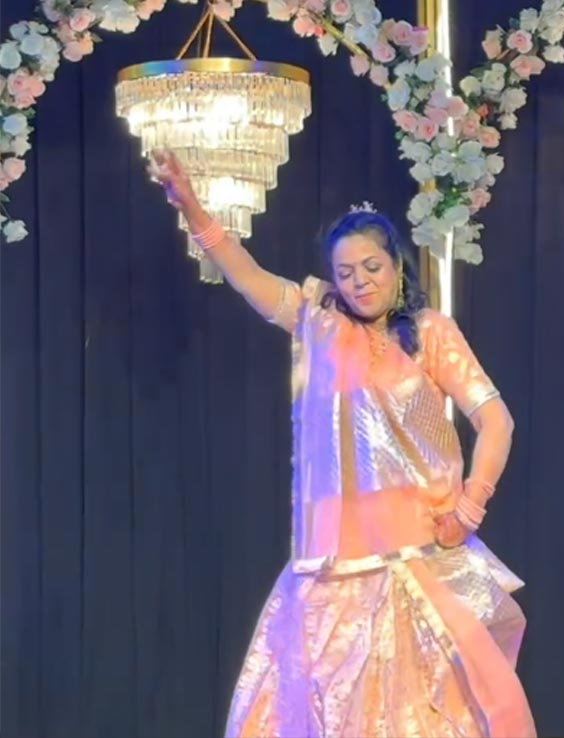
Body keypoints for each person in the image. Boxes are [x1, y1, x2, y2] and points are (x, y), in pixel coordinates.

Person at [147, 149, 538, 737]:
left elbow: (496, 421)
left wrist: (469, 506)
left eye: (371, 266)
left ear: (396, 265)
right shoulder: (319, 321)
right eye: (347, 271)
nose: (360, 281)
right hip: (331, 564)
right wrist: (191, 207)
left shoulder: (430, 332)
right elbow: (245, 274)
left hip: (417, 556)